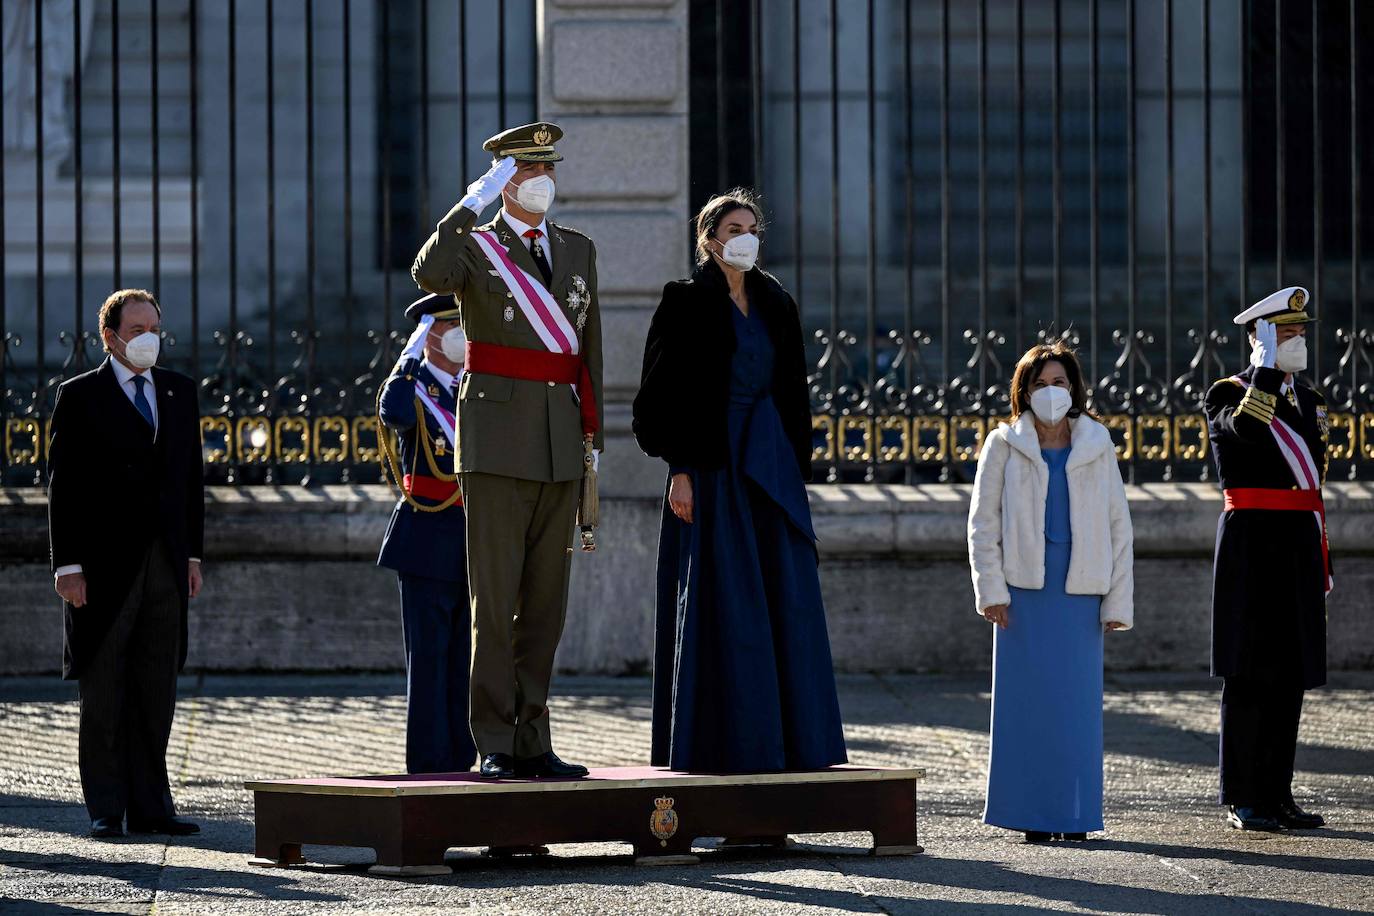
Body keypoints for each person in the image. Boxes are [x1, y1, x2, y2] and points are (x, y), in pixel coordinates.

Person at [411, 122, 602, 780]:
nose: (540, 179)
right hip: (495, 445)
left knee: (545, 605)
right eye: (524, 170)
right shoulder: (476, 249)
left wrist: (590, 447)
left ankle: (533, 736)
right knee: (494, 604)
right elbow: (428, 271)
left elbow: (586, 355)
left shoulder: (577, 251)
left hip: (557, 445)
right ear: (503, 180)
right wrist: (472, 203)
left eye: (546, 167)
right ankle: (493, 737)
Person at [632, 188, 847, 774]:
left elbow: (794, 393)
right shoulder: (683, 301)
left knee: (784, 603)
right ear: (709, 238)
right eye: (733, 227)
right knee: (723, 606)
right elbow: (657, 399)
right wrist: (679, 468)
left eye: (752, 226)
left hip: (768, 468)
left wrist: (794, 473)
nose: (745, 236)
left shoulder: (777, 301)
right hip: (709, 468)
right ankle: (721, 747)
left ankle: (792, 746)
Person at [47, 289, 204, 839]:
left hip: (165, 563)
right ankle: (107, 807)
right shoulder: (80, 396)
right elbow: (63, 488)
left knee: (156, 686)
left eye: (153, 326)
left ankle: (152, 806)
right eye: (135, 329)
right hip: (103, 567)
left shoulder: (179, 392)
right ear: (109, 336)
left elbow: (190, 482)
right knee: (106, 686)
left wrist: (191, 554)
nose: (147, 338)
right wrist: (67, 565)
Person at [967, 341, 1133, 843]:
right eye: (1040, 384)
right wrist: (990, 590)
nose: (1050, 392)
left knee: (1076, 711)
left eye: (1059, 383)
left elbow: (1117, 525)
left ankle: (1074, 816)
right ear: (1024, 391)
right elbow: (982, 524)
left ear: (1074, 389)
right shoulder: (1003, 443)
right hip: (1023, 594)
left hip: (1081, 591)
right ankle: (1031, 815)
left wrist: (1118, 600)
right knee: (1026, 708)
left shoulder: (1097, 443)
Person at [1204, 286, 1329, 832]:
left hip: (1297, 539)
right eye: (1286, 333)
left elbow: (1315, 472)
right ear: (1259, 338)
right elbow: (1245, 435)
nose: (1297, 341)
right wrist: (1264, 377)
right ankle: (1242, 796)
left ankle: (1279, 793)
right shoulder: (1226, 393)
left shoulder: (1312, 400)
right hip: (1251, 542)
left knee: (1289, 673)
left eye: (1301, 332)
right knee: (1249, 671)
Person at [376, 293, 478, 775]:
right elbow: (392, 413)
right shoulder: (414, 389)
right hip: (427, 538)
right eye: (448, 325)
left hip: (475, 541)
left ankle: (463, 761)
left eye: (463, 323)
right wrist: (409, 357)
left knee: (466, 665)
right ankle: (429, 768)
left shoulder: (474, 387)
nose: (460, 333)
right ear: (428, 335)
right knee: (430, 664)